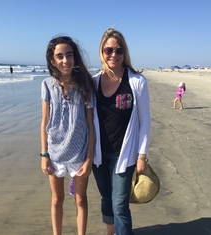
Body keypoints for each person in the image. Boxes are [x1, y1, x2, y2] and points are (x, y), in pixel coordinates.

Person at [92, 28, 151, 235]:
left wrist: (142, 154)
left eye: (118, 50)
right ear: (102, 51)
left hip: (123, 154)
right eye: (109, 50)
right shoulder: (94, 82)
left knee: (119, 203)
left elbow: (145, 120)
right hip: (99, 154)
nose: (113, 55)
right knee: (106, 198)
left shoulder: (136, 81)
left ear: (124, 52)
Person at [40, 35, 95, 235]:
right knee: (57, 199)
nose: (65, 61)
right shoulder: (47, 85)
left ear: (75, 57)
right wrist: (44, 155)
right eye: (60, 56)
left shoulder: (86, 85)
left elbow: (90, 125)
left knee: (80, 199)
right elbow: (44, 122)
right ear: (52, 60)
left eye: (69, 55)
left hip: (79, 155)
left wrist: (89, 158)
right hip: (54, 154)